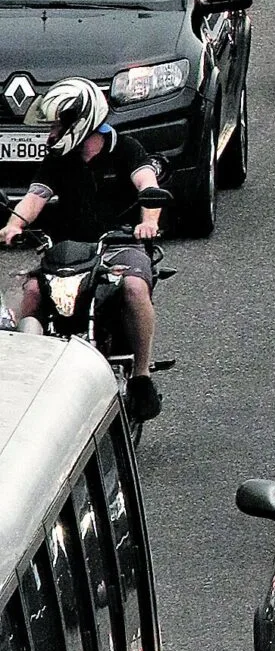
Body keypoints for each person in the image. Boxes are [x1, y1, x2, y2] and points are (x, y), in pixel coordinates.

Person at [0, 78, 165, 420]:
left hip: (119, 246)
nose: (52, 134)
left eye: (59, 125)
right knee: (31, 292)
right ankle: (27, 381)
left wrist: (147, 221)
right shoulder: (58, 159)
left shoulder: (127, 148)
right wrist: (14, 225)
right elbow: (36, 197)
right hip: (67, 251)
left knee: (134, 288)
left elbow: (147, 185)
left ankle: (141, 376)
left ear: (80, 121)